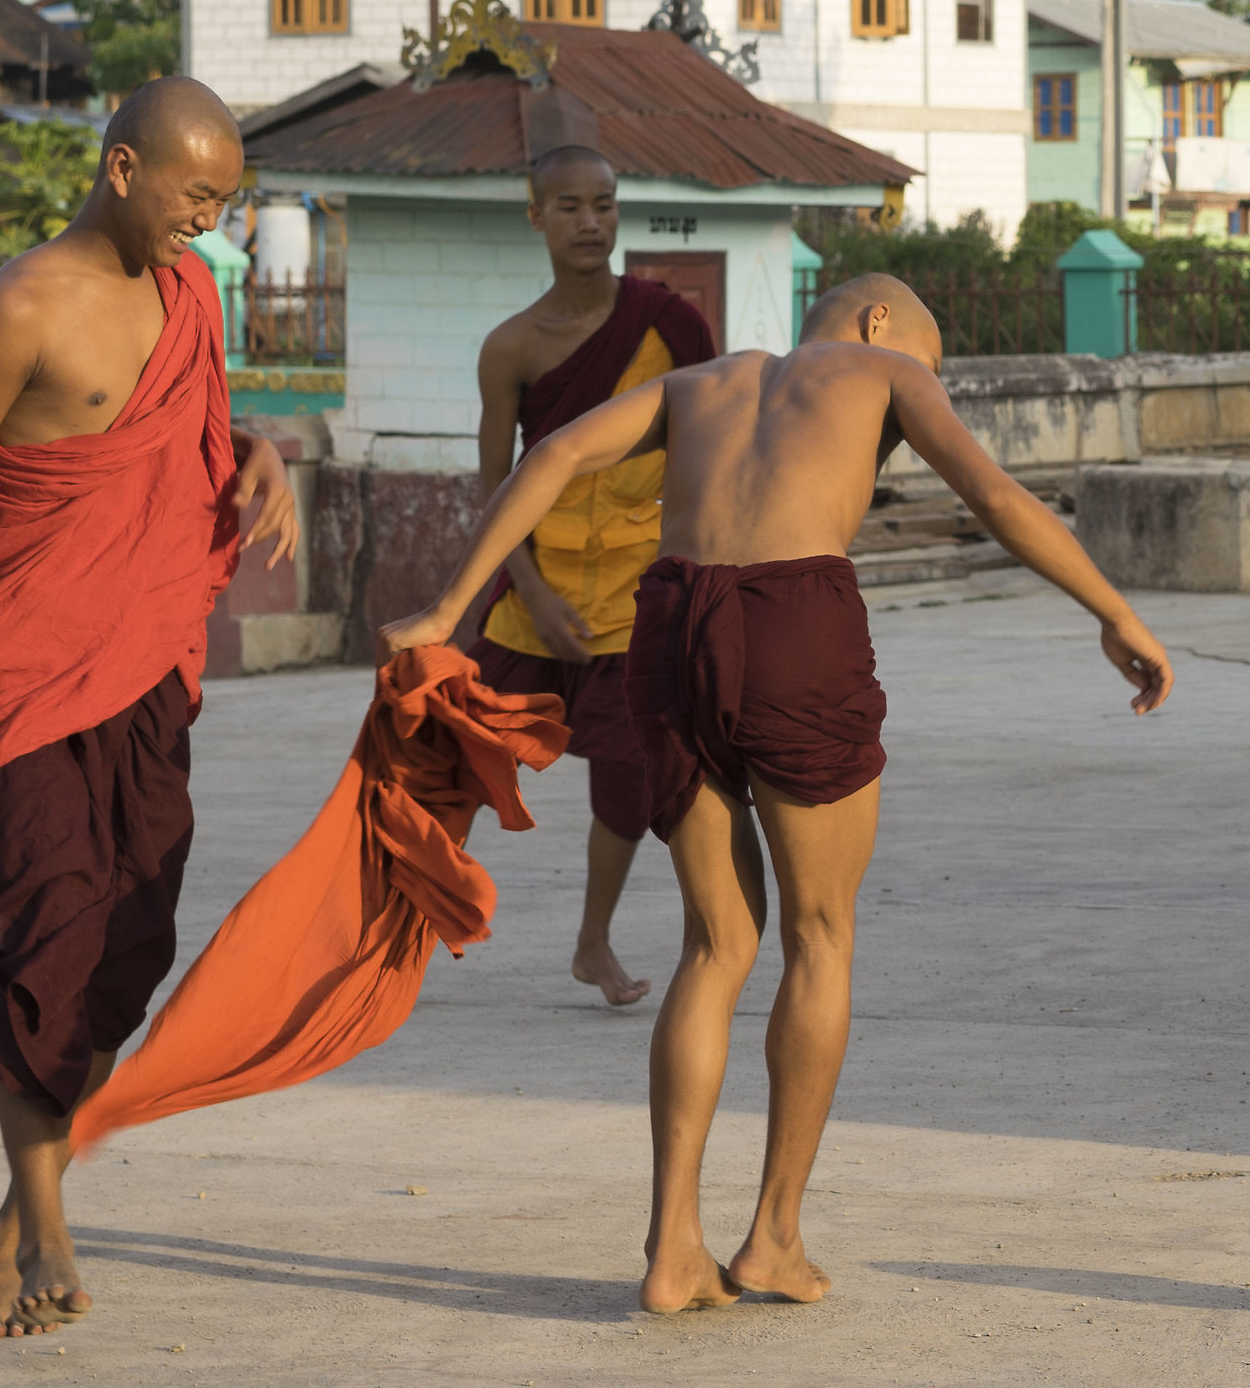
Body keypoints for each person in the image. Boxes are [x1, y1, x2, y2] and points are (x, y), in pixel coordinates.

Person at [380, 272, 1173, 1314]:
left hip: (666, 622)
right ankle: (773, 1239)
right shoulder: (886, 367)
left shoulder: (702, 380)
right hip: (797, 616)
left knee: (716, 944)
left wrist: (449, 606)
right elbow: (993, 496)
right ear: (881, 322)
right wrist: (1114, 612)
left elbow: (558, 452)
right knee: (820, 934)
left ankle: (671, 1250)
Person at [0, 76, 300, 1341]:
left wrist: (262, 450)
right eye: (196, 196)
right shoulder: (12, 313)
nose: (211, 226)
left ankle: (14, 1216)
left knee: (124, 949)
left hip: (142, 675)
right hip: (11, 676)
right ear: (122, 169)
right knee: (38, 937)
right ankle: (48, 1221)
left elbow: (200, 442)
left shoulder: (193, 298)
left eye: (228, 204)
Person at [466, 144, 716, 1007]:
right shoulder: (513, 348)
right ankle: (398, 924)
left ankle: (592, 942)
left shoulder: (670, 325)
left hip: (637, 591)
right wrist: (527, 590)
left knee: (631, 775)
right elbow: (497, 484)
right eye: (569, 207)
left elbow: (704, 449)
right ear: (535, 218)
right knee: (460, 750)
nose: (590, 223)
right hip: (535, 590)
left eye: (604, 205)